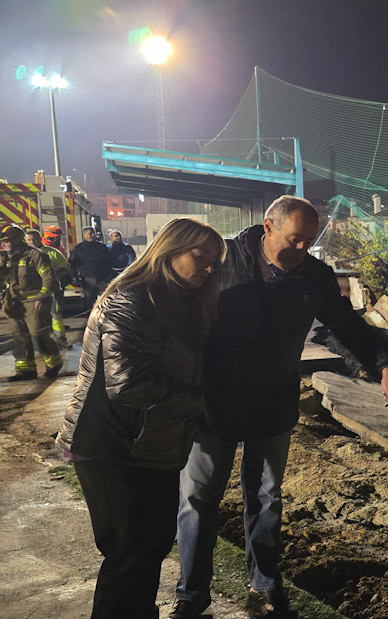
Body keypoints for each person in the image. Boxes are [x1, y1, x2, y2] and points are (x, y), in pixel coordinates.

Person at [172, 196, 388, 619]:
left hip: (273, 400)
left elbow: (348, 324)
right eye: (295, 239)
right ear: (268, 226)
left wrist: (383, 365)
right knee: (199, 498)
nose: (302, 250)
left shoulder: (315, 277)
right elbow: (175, 303)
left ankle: (264, 585)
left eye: (309, 242)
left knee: (265, 497)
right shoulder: (221, 262)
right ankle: (191, 594)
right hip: (214, 401)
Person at [55, 218, 226, 618]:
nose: (208, 269)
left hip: (152, 445)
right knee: (129, 554)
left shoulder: (180, 301)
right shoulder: (132, 300)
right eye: (199, 257)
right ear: (168, 250)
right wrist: (202, 403)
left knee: (149, 547)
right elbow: (128, 385)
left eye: (214, 262)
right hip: (112, 445)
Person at [0, 224, 63, 380]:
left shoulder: (35, 255)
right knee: (20, 337)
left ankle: (53, 364)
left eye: (7, 241)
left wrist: (42, 297)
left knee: (38, 335)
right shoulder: (7, 259)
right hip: (13, 303)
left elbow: (48, 277)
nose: (4, 245)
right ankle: (25, 371)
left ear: (16, 240)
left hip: (34, 302)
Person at [26, 228, 72, 348]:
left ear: (40, 239)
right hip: (31, 292)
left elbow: (65, 269)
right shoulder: (23, 255)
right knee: (33, 318)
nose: (32, 242)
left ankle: (60, 339)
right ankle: (37, 342)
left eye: (35, 239)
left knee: (55, 315)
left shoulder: (52, 252)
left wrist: (53, 276)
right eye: (29, 240)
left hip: (50, 291)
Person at [68, 226, 113, 310]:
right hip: (87, 279)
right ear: (84, 235)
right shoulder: (79, 248)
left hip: (102, 279)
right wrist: (75, 277)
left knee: (107, 300)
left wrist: (109, 275)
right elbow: (72, 264)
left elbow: (109, 262)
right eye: (90, 233)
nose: (92, 235)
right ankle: (89, 318)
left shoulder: (102, 247)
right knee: (88, 301)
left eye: (93, 233)